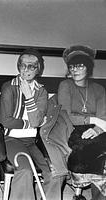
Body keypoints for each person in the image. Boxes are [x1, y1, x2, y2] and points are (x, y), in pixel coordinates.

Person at [0, 48, 64, 200]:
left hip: (34, 142)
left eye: (32, 66)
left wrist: (28, 96)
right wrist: (31, 124)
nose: (26, 70)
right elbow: (6, 121)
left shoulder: (41, 91)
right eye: (23, 65)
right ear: (18, 66)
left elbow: (37, 122)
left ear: (38, 69)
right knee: (25, 170)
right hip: (11, 140)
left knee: (56, 172)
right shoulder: (9, 87)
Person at [58, 45, 106, 200]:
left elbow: (103, 116)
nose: (74, 70)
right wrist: (91, 120)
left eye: (79, 65)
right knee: (90, 148)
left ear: (88, 68)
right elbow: (65, 115)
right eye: (71, 66)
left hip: (97, 129)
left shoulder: (98, 89)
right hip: (71, 129)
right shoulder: (65, 85)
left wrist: (98, 129)